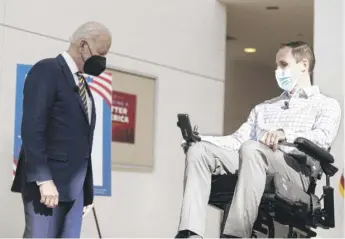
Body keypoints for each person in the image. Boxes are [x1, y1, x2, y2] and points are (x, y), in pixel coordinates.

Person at [175, 41, 341, 238]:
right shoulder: (264, 108)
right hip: (254, 159)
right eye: (277, 66)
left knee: (252, 149)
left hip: (295, 170)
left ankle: (236, 234)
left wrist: (285, 134)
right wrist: (200, 139)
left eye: (284, 64)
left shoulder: (326, 105)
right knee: (200, 151)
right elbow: (237, 141)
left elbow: (322, 138)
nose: (278, 70)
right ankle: (190, 232)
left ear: (303, 65)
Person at [11, 21, 112, 238]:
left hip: (75, 193)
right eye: (101, 52)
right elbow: (32, 128)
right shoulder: (47, 70)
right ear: (83, 45)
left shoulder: (83, 85)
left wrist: (87, 193)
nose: (103, 60)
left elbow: (83, 142)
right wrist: (44, 179)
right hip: (46, 188)